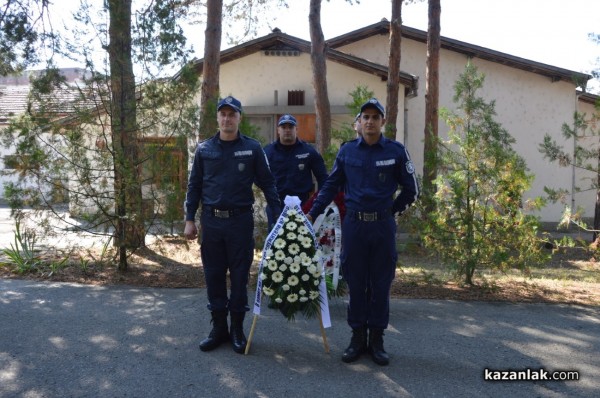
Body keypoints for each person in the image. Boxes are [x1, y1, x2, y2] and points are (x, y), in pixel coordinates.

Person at [306, 98, 419, 366]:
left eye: (375, 117)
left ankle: (377, 340)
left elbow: (411, 189)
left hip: (382, 226)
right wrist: (313, 213)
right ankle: (357, 338)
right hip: (355, 226)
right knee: (356, 283)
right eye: (365, 117)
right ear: (359, 122)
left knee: (380, 284)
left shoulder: (396, 151)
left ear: (383, 122)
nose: (370, 121)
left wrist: (392, 211)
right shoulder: (347, 152)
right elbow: (331, 186)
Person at [184, 96, 281, 354]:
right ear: (217, 117)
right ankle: (218, 329)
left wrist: (282, 216)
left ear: (239, 117)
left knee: (239, 278)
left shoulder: (252, 148)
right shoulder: (204, 149)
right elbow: (194, 186)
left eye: (232, 114)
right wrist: (189, 219)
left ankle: (237, 329)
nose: (227, 119)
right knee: (214, 276)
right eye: (223, 114)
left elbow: (268, 183)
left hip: (240, 222)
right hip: (212, 223)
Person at [263, 114, 328, 206]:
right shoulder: (268, 151)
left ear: (296, 129)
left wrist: (320, 200)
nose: (287, 130)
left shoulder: (308, 150)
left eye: (291, 127)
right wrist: (269, 191)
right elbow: (257, 175)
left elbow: (322, 177)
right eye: (284, 127)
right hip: (276, 203)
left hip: (302, 203)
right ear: (278, 130)